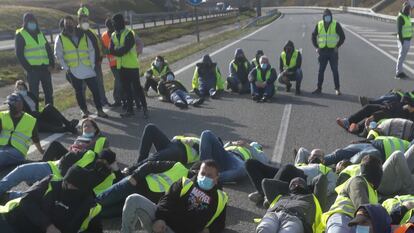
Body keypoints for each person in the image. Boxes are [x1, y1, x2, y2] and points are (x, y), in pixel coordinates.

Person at [121, 160, 227, 233]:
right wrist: (160, 218)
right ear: (198, 172)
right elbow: (166, 200)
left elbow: (220, 223)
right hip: (163, 226)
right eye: (203, 173)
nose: (204, 177)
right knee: (133, 199)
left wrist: (209, 230)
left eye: (209, 175)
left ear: (216, 178)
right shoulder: (184, 183)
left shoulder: (220, 198)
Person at [0, 166, 103, 233]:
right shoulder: (50, 183)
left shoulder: (91, 208)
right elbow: (26, 201)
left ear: (83, 189)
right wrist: (48, 225)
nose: (66, 186)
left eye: (72, 186)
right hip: (14, 221)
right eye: (65, 182)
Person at [0, 149, 118, 201]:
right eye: (101, 160)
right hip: (52, 168)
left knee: (35, 196)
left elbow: (96, 196)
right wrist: (65, 177)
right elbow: (65, 160)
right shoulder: (90, 154)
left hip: (63, 189)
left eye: (106, 163)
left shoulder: (107, 177)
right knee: (22, 170)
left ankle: (7, 197)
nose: (102, 163)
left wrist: (116, 171)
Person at [54, 15, 108, 118]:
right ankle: (84, 111)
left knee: (95, 90)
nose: (69, 25)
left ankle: (100, 110)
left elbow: (91, 49)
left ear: (74, 23)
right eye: (66, 23)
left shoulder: (83, 35)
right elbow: (58, 55)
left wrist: (91, 64)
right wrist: (67, 68)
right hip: (73, 70)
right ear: (64, 25)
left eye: (70, 22)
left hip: (87, 68)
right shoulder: (60, 38)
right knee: (79, 92)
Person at [97, 161, 191, 218]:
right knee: (99, 202)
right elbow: (151, 165)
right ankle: (82, 211)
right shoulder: (178, 167)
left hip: (138, 202)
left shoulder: (191, 190)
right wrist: (135, 176)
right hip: (135, 184)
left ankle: (83, 217)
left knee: (100, 213)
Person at [246, 148, 337, 207]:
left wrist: (313, 194)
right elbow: (302, 150)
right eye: (313, 155)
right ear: (308, 157)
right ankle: (262, 193)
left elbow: (331, 185)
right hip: (285, 174)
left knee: (288, 167)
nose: (315, 157)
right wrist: (310, 157)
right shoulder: (301, 163)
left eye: (318, 156)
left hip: (300, 183)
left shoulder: (326, 169)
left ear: (323, 160)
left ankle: (268, 196)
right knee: (250, 163)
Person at [322, 156, 382, 233]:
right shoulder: (357, 180)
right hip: (342, 217)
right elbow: (362, 205)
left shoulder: (373, 193)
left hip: (357, 223)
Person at [110, 13, 148, 118]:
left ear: (121, 22)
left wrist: (117, 50)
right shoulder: (113, 35)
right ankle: (130, 110)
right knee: (126, 89)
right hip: (121, 66)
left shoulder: (129, 33)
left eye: (116, 22)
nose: (114, 24)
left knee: (137, 88)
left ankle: (145, 108)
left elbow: (125, 49)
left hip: (132, 66)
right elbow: (110, 50)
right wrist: (118, 50)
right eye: (113, 23)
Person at [123, 124, 200, 175]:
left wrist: (194, 144)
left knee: (157, 156)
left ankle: (131, 170)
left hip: (181, 152)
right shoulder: (192, 137)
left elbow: (205, 155)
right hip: (171, 144)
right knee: (150, 127)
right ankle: (139, 166)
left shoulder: (203, 142)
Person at [256, 177, 324, 233]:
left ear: (306, 187)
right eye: (293, 184)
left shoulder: (313, 198)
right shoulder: (281, 196)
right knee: (263, 229)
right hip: (274, 214)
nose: (297, 185)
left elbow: (320, 178)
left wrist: (310, 187)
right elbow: (266, 182)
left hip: (295, 218)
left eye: (300, 184)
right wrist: (287, 187)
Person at [199, 130, 269, 183]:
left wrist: (248, 146)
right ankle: (202, 169)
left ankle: (212, 178)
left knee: (244, 169)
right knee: (207, 134)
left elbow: (263, 161)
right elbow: (223, 148)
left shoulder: (256, 150)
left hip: (236, 161)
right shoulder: (235, 144)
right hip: (225, 155)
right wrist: (231, 143)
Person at [15, 13, 55, 106]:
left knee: (49, 93)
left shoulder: (40, 33)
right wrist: (29, 69)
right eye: (29, 22)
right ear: (25, 23)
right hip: (33, 70)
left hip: (45, 68)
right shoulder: (21, 34)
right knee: (34, 95)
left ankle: (50, 113)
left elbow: (48, 49)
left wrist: (51, 63)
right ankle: (35, 115)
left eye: (33, 21)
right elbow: (19, 54)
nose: (32, 23)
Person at [336, 151, 414, 197]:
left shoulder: (357, 164)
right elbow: (344, 190)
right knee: (397, 155)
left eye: (340, 162)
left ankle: (409, 186)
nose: (341, 162)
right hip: (379, 185)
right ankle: (411, 190)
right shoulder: (344, 174)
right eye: (339, 164)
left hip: (394, 179)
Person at [14, 80, 78, 134]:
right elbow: (20, 114)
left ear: (26, 89)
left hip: (38, 115)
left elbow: (38, 107)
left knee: (49, 106)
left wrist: (38, 113)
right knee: (53, 128)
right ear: (16, 90)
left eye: (23, 88)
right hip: (31, 121)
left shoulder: (30, 95)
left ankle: (68, 124)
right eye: (19, 89)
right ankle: (68, 129)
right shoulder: (16, 99)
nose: (21, 90)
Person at [77, 6, 110, 106]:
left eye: (87, 20)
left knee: (99, 83)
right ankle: (84, 108)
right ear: (79, 21)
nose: (86, 22)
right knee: (83, 87)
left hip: (96, 63)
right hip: (83, 65)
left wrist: (100, 57)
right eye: (83, 20)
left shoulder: (92, 31)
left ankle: (103, 101)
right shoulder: (76, 32)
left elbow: (98, 45)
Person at [0, 94, 43, 169]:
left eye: (11, 105)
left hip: (18, 151)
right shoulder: (2, 115)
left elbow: (35, 138)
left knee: (2, 155)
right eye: (9, 105)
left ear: (20, 105)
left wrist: (41, 151)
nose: (9, 107)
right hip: (2, 147)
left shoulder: (30, 120)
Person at [311, 8, 346, 95]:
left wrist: (337, 46)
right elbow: (313, 36)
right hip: (322, 51)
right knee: (321, 70)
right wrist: (316, 47)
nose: (328, 18)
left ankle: (337, 89)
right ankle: (319, 88)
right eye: (326, 17)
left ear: (331, 17)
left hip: (332, 52)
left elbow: (342, 36)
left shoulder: (335, 24)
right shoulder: (319, 24)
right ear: (323, 17)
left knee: (335, 70)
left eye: (329, 16)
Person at [336, 97, 414, 134]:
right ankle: (348, 121)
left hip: (404, 119)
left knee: (382, 113)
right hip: (398, 109)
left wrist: (411, 111)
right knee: (370, 107)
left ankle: (359, 128)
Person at [42, 117, 108, 162]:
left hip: (82, 160)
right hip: (71, 156)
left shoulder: (99, 139)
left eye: (89, 126)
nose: (87, 127)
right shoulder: (79, 138)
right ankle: (42, 163)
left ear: (95, 129)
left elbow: (105, 155)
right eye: (85, 126)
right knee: (54, 144)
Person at [323, 136, 411, 165]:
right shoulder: (407, 142)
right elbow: (378, 138)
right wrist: (360, 141)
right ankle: (318, 161)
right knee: (340, 152)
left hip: (378, 155)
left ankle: (338, 169)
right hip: (371, 144)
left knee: (350, 162)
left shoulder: (411, 154)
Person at [102, 17, 125, 107]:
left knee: (122, 80)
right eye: (110, 25)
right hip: (113, 63)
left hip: (122, 61)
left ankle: (123, 98)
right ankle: (117, 99)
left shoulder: (118, 33)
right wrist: (112, 50)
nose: (112, 27)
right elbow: (104, 50)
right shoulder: (104, 36)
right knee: (118, 80)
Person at [396, 2, 412, 79]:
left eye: (409, 8)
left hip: (408, 40)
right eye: (407, 8)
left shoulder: (407, 17)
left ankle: (400, 71)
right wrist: (402, 42)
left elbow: (409, 27)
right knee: (401, 56)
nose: (409, 10)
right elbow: (399, 31)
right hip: (403, 41)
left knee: (403, 57)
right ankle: (398, 73)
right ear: (404, 8)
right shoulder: (401, 17)